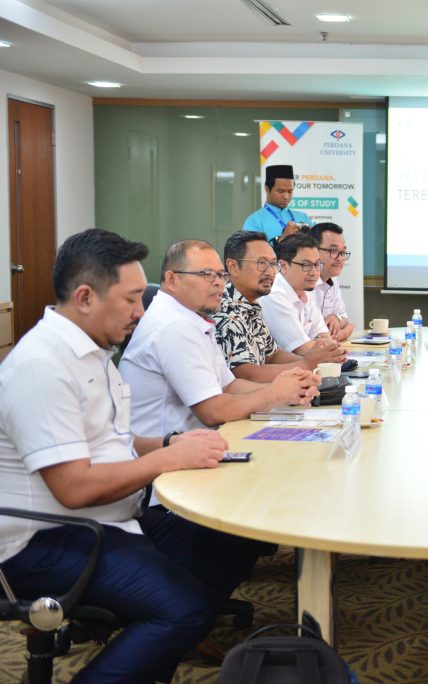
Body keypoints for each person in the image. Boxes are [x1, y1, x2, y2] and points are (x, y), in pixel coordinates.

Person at [0, 229, 253, 682]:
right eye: (132, 299)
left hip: (110, 520)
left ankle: (149, 653)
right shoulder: (42, 367)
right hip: (47, 542)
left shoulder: (92, 350)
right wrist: (165, 461)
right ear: (84, 297)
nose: (142, 311)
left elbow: (111, 442)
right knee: (186, 608)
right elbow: (74, 488)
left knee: (232, 530)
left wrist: (171, 445)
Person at [120, 239, 318, 435]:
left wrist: (290, 389)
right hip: (168, 458)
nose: (218, 283)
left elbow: (230, 385)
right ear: (172, 280)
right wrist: (275, 394)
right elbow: (213, 411)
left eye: (220, 275)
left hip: (198, 444)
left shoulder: (193, 318)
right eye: (206, 274)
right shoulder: (173, 325)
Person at [213, 230, 346, 382]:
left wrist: (313, 361)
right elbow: (246, 373)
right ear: (233, 267)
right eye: (262, 263)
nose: (270, 272)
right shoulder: (225, 308)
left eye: (272, 264)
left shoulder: (251, 304)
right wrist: (306, 364)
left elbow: (272, 355)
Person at [258, 233, 335, 355]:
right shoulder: (274, 294)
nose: (314, 273)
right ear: (283, 266)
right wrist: (326, 347)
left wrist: (324, 345)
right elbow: (302, 349)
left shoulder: (304, 288)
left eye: (317, 265)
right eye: (306, 265)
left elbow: (324, 336)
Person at [242, 164, 311, 241]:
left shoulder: (303, 217)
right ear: (267, 189)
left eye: (290, 191)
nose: (286, 196)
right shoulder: (254, 222)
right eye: (281, 191)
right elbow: (252, 252)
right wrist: (282, 239)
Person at [310, 222, 355, 342]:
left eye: (343, 252)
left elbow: (344, 317)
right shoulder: (305, 282)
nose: (340, 258)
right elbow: (316, 338)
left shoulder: (333, 279)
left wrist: (337, 318)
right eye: (333, 251)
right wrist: (346, 331)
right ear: (314, 251)